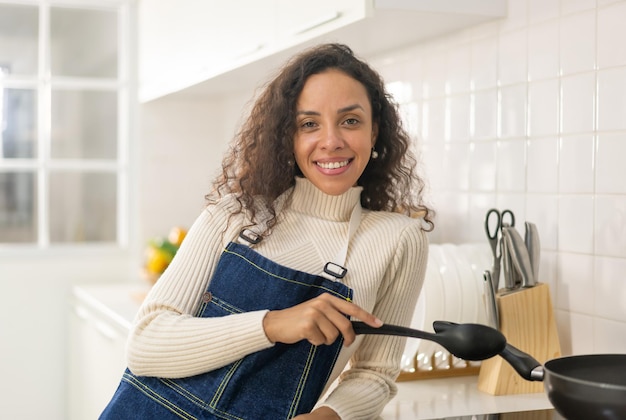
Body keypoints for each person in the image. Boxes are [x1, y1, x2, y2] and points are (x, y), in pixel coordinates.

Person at [101, 43, 434, 419]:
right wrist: (273, 324)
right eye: (309, 124)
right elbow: (145, 345)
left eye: (350, 121)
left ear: (375, 131)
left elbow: (376, 373)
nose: (331, 141)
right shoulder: (234, 216)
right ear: (287, 138)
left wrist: (332, 416)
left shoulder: (398, 239)